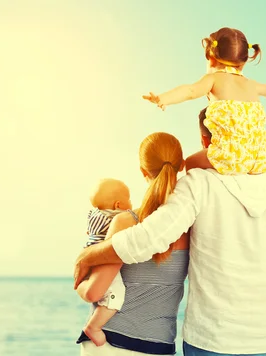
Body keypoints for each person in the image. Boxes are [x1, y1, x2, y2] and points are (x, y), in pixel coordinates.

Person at [74, 108, 266, 356]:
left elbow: (144, 242)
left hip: (211, 341)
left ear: (205, 142)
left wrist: (86, 256)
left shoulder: (198, 185)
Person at [76, 132, 190, 355]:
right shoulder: (192, 228)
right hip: (158, 347)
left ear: (143, 171)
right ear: (182, 166)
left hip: (107, 344)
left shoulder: (125, 222)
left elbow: (93, 293)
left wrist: (79, 283)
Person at [143, 27, 266, 176]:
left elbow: (190, 91)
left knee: (191, 162)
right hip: (262, 156)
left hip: (232, 156)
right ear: (242, 64)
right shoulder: (251, 84)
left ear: (212, 58)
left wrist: (164, 98)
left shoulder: (213, 79)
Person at [81, 178, 132, 346]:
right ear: (118, 204)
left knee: (100, 291)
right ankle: (93, 327)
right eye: (129, 199)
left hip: (90, 254)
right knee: (115, 297)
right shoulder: (118, 218)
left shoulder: (93, 215)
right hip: (103, 258)